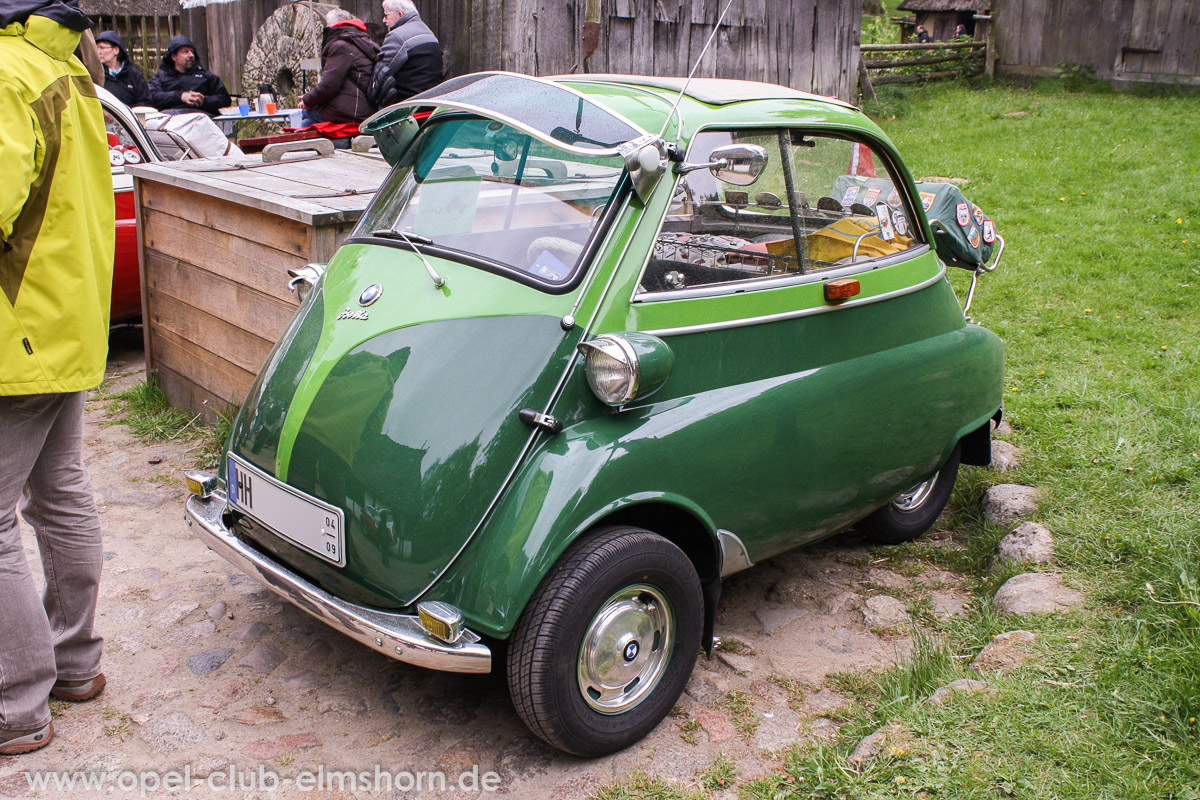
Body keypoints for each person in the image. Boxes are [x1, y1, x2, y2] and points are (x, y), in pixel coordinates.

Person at [0, 0, 115, 757]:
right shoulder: (64, 66)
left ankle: (15, 703)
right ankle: (74, 665)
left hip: (16, 333)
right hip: (61, 320)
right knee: (61, 491)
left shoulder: (10, 71)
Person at [300, 8, 380, 126]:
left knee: (306, 115)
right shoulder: (360, 40)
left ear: (332, 25)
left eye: (327, 25)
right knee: (308, 119)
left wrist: (307, 100)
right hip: (364, 109)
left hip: (350, 113)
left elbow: (329, 85)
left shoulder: (340, 46)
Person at [368, 0, 442, 110]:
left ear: (400, 14)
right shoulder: (429, 33)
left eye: (386, 15)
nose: (384, 20)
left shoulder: (397, 36)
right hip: (430, 105)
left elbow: (380, 74)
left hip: (405, 109)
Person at [147, 34, 230, 116]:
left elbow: (225, 99)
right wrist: (180, 97)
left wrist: (203, 100)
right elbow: (151, 97)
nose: (191, 55)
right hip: (170, 121)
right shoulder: (161, 78)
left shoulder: (206, 76)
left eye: (192, 51)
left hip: (201, 119)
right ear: (173, 57)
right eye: (185, 51)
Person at [95, 29, 148, 106]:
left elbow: (145, 101)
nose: (99, 52)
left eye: (102, 47)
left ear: (116, 50)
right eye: (96, 48)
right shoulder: (96, 74)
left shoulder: (134, 75)